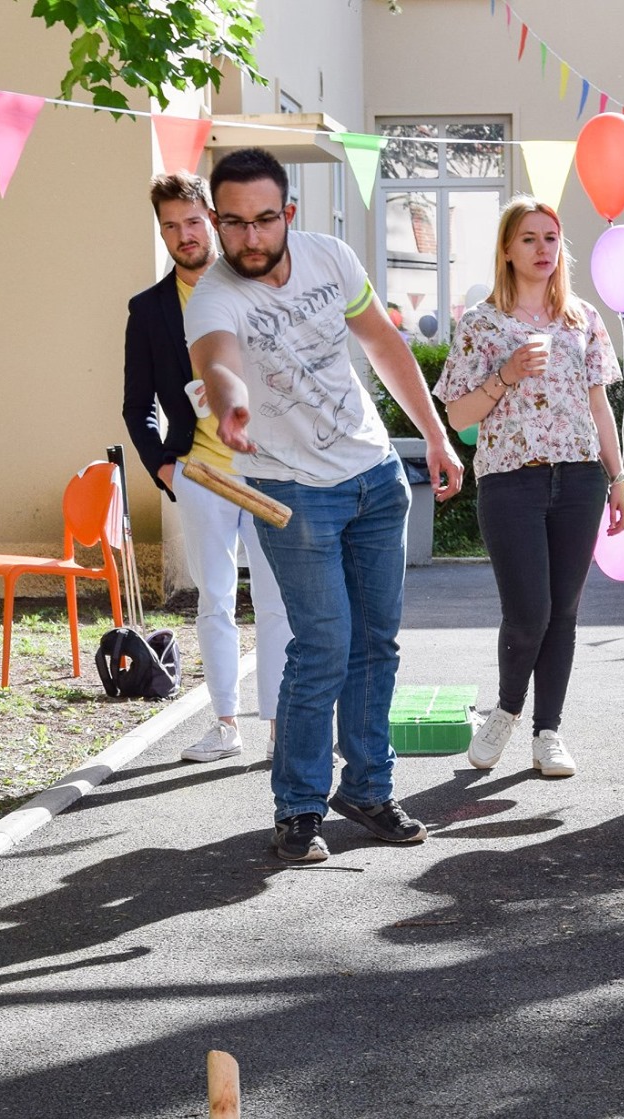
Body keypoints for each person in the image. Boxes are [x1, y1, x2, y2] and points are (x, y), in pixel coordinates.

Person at [185, 148, 463, 863]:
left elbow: (384, 345)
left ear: (290, 215)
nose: (250, 238)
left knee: (377, 642)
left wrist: (434, 435)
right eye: (235, 223)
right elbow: (217, 361)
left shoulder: (331, 257)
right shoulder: (215, 295)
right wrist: (232, 406)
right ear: (218, 221)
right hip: (293, 492)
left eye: (265, 220)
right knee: (324, 644)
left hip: (374, 476)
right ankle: (300, 806)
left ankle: (367, 789)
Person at [435, 197, 624, 778]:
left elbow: (599, 404)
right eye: (529, 239)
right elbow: (457, 414)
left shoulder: (583, 319)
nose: (542, 249)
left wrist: (617, 478)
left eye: (551, 238)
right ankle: (507, 710)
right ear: (506, 249)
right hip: (510, 482)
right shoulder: (481, 324)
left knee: (564, 612)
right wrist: (507, 373)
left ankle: (550, 733)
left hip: (578, 480)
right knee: (528, 613)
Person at [122, 171, 290, 763]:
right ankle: (225, 726)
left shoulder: (262, 287)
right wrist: (166, 469)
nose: (183, 234)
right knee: (214, 602)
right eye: (170, 226)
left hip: (268, 471)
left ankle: (278, 727)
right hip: (201, 476)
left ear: (213, 221)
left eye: (192, 221)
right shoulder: (148, 311)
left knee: (276, 604)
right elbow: (136, 405)